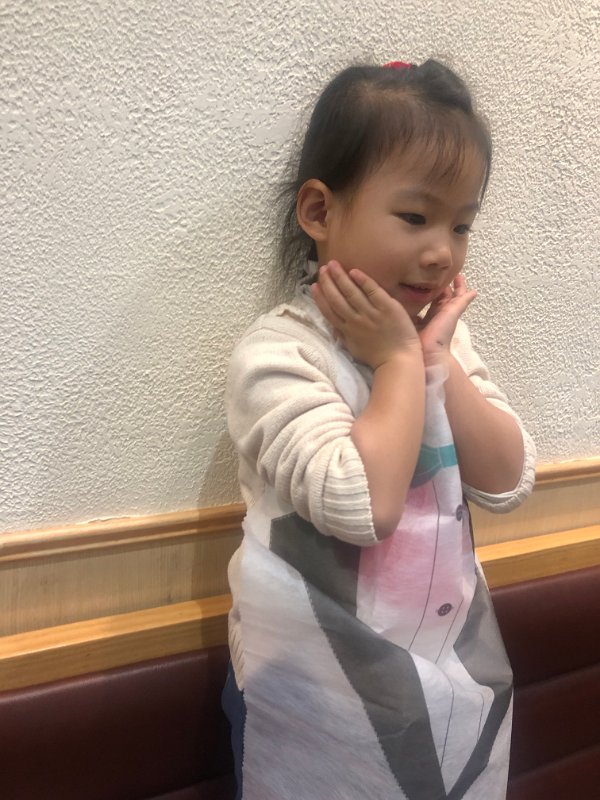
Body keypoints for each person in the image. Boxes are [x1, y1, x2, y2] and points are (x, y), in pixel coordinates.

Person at [222, 59, 536, 800]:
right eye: (416, 217)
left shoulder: (441, 346)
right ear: (319, 212)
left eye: (461, 225)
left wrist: (434, 361)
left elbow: (508, 478)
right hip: (310, 692)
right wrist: (399, 363)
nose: (442, 251)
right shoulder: (280, 354)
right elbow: (363, 506)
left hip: (442, 680)